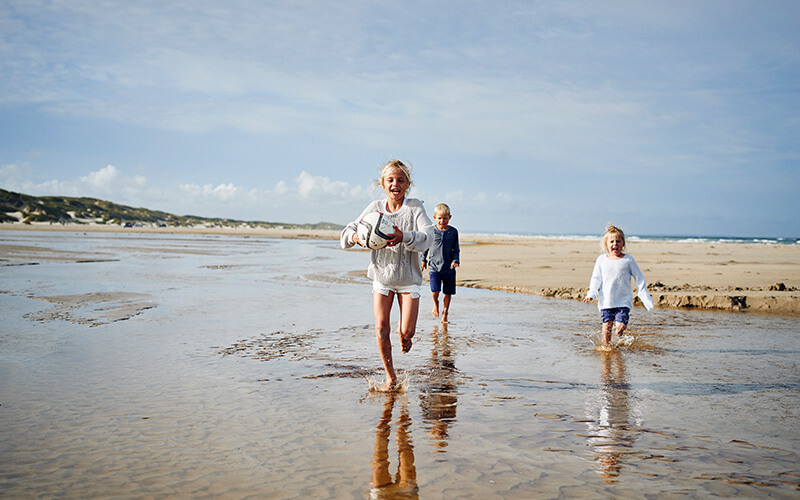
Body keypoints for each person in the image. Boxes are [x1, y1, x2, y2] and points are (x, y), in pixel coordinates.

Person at [341, 160, 434, 391]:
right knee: (382, 328)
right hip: (382, 277)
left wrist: (404, 236)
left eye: (400, 180)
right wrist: (356, 238)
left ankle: (406, 336)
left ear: (407, 185)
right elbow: (348, 231)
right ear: (383, 184)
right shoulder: (375, 208)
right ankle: (390, 376)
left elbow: (429, 237)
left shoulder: (414, 208)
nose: (395, 184)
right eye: (390, 180)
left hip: (409, 279)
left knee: (407, 330)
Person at [583, 225, 654, 348]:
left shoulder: (628, 260)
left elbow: (639, 279)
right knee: (606, 326)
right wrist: (591, 294)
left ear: (623, 244)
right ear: (606, 244)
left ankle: (618, 335)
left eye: (618, 241)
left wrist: (645, 299)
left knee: (620, 327)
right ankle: (607, 349)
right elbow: (596, 279)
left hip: (623, 301)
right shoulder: (601, 260)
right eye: (612, 241)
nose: (615, 244)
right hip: (606, 302)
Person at [422, 203, 460, 323]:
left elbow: (456, 249)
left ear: (449, 217)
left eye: (445, 218)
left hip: (448, 268)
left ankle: (445, 313)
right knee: (435, 291)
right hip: (434, 267)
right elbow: (425, 247)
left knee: (447, 293)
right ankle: (435, 303)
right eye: (439, 218)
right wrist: (423, 259)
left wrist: (455, 260)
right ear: (434, 218)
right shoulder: (431, 231)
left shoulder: (453, 232)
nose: (442, 221)